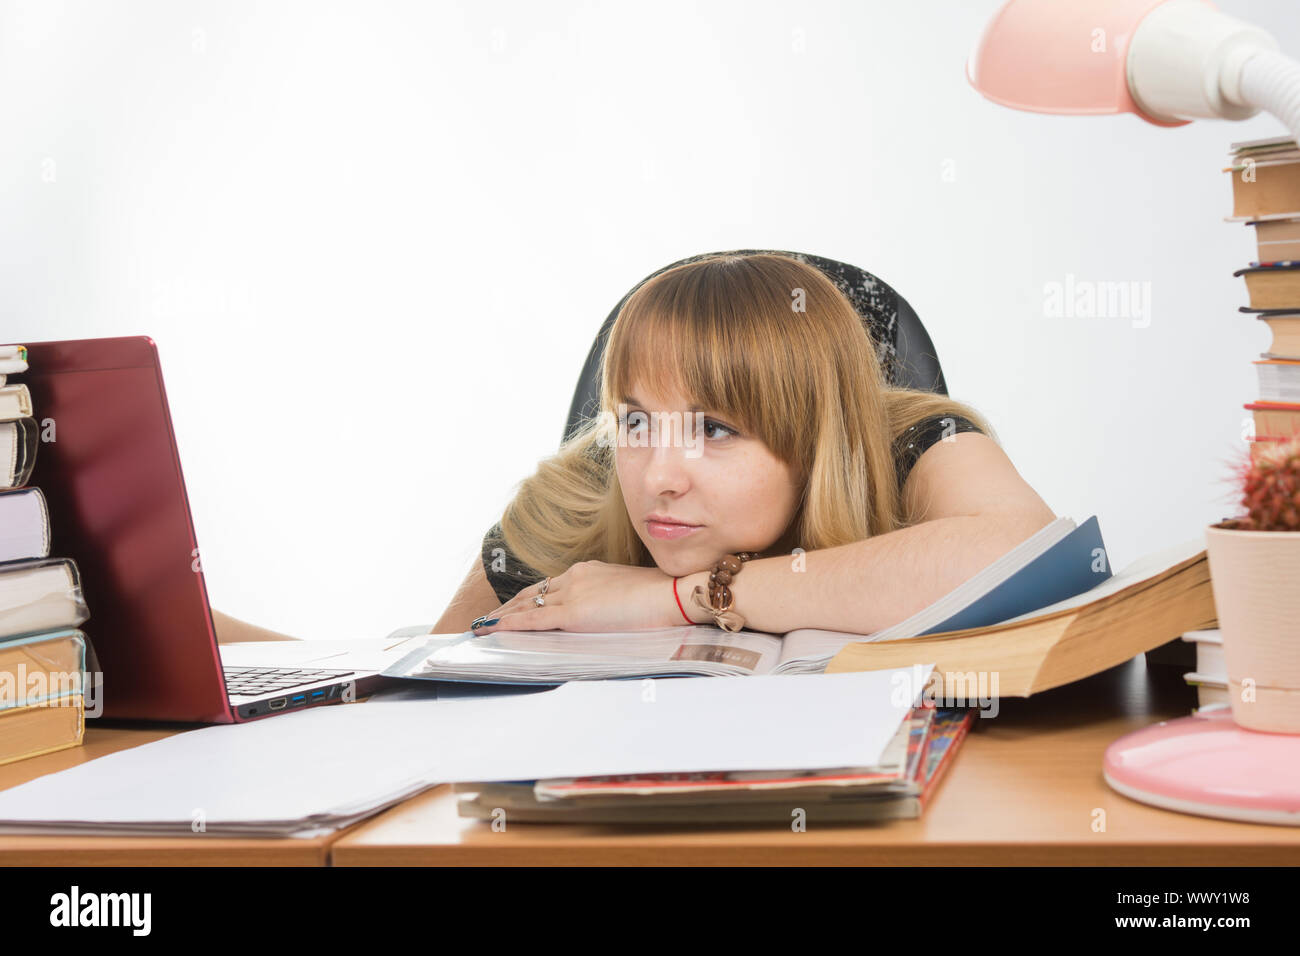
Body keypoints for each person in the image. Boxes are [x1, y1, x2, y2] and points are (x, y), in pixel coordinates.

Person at [435, 251, 1054, 638]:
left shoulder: (909, 442)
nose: (658, 478)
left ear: (818, 437)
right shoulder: (575, 497)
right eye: (636, 423)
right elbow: (422, 697)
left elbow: (1024, 550)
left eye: (714, 429)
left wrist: (681, 598)